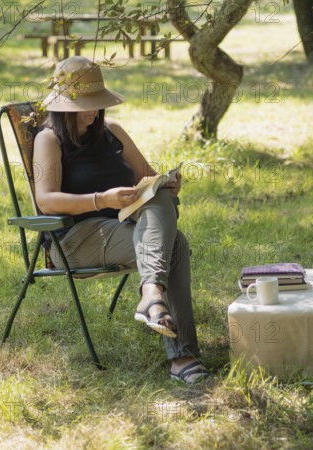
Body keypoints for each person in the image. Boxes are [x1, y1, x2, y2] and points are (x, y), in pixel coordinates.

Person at [33, 56, 210, 384]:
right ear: (61, 106)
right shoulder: (49, 139)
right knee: (176, 245)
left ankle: (152, 296)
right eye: (82, 105)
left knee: (158, 195)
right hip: (74, 238)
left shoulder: (112, 132)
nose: (91, 111)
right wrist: (102, 200)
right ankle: (180, 350)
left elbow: (147, 178)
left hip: (124, 225)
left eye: (96, 104)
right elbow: (45, 201)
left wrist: (167, 183)